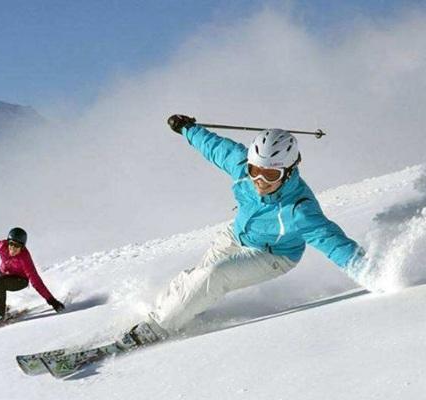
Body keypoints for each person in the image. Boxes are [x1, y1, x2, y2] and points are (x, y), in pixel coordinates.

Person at [122, 115, 367, 346]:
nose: (260, 179)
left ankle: (156, 329)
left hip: (272, 255)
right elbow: (215, 147)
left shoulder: (299, 210)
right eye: (255, 170)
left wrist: (376, 273)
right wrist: (187, 128)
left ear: (289, 170)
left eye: (271, 173)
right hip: (236, 234)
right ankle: (173, 314)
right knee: (199, 277)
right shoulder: (243, 168)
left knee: (214, 275)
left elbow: (335, 244)